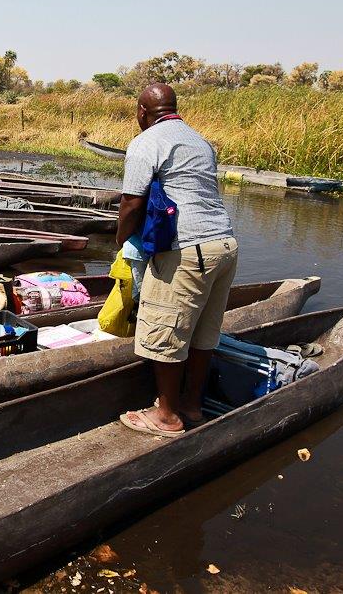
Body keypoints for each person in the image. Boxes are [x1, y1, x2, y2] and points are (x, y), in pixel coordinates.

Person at [116, 83, 238, 437]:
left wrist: (121, 241)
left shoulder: (146, 142)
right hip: (224, 246)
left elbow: (132, 203)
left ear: (141, 112)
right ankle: (191, 406)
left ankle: (167, 417)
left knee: (164, 330)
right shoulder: (200, 141)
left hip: (188, 251)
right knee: (202, 334)